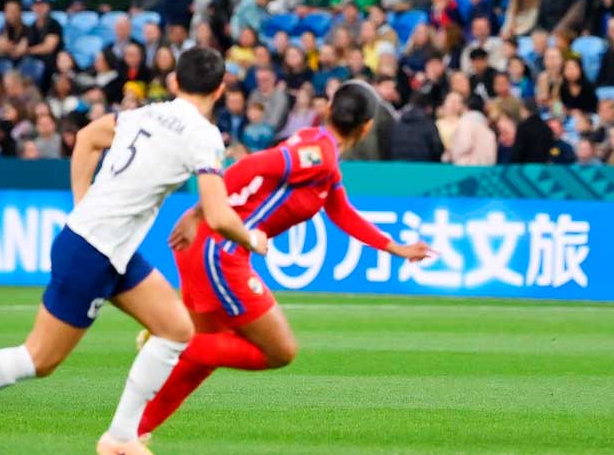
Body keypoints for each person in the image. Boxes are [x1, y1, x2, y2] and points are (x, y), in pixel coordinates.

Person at [0, 48, 268, 455]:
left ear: (175, 82)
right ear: (220, 87)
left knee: (176, 329)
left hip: (106, 246)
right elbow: (218, 213)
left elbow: (88, 137)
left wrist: (81, 201)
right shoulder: (204, 135)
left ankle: (121, 438)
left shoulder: (145, 113)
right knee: (39, 358)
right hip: (93, 251)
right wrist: (252, 239)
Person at [137, 81, 431, 437]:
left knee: (206, 356)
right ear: (366, 127)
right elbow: (250, 166)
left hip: (209, 247)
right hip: (220, 250)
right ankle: (168, 338)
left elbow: (341, 212)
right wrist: (200, 211)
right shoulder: (318, 155)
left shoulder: (320, 151)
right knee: (279, 350)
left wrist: (394, 247)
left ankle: (135, 430)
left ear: (327, 110)